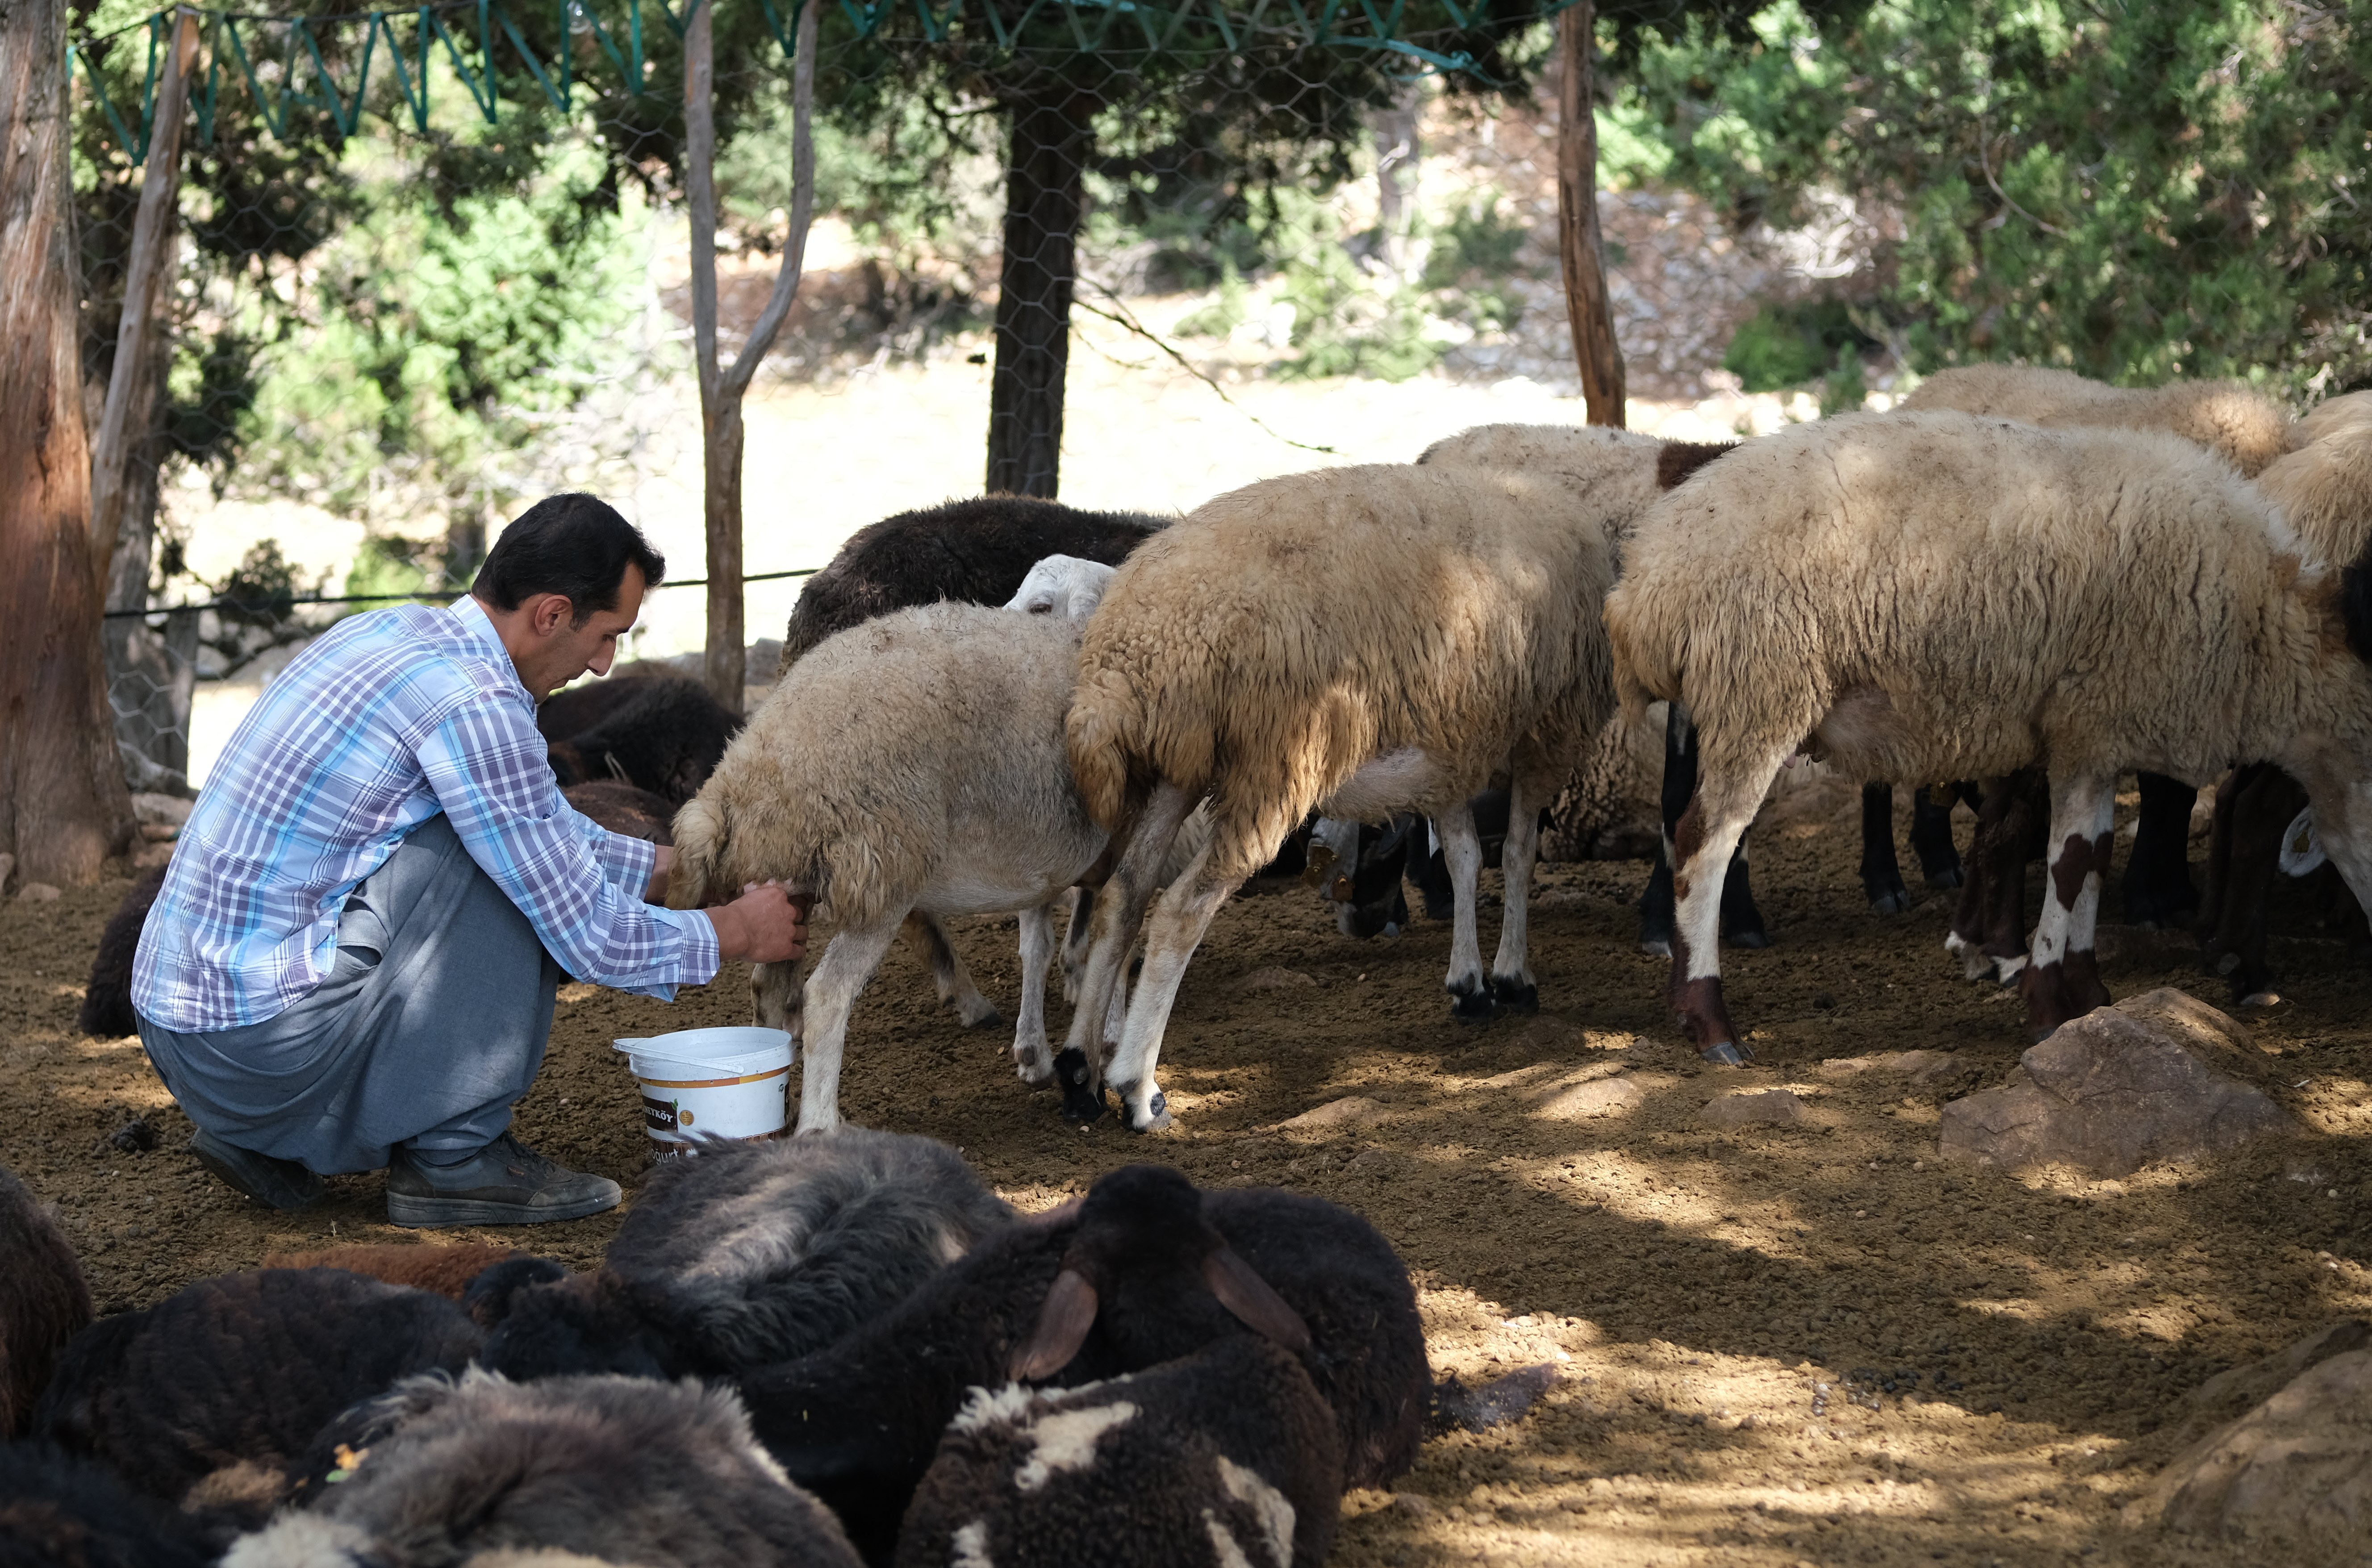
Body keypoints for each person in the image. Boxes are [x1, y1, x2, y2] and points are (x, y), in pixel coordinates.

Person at [131, 495, 806, 1227]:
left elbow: (546, 834)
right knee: (489, 865)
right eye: (607, 636)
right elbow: (588, 931)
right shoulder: (475, 705)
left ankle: (276, 1139)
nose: (607, 665)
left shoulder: (388, 633)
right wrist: (735, 931)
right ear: (551, 614)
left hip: (188, 1034)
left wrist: (684, 870)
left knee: (491, 844)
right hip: (262, 1053)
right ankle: (454, 1160)